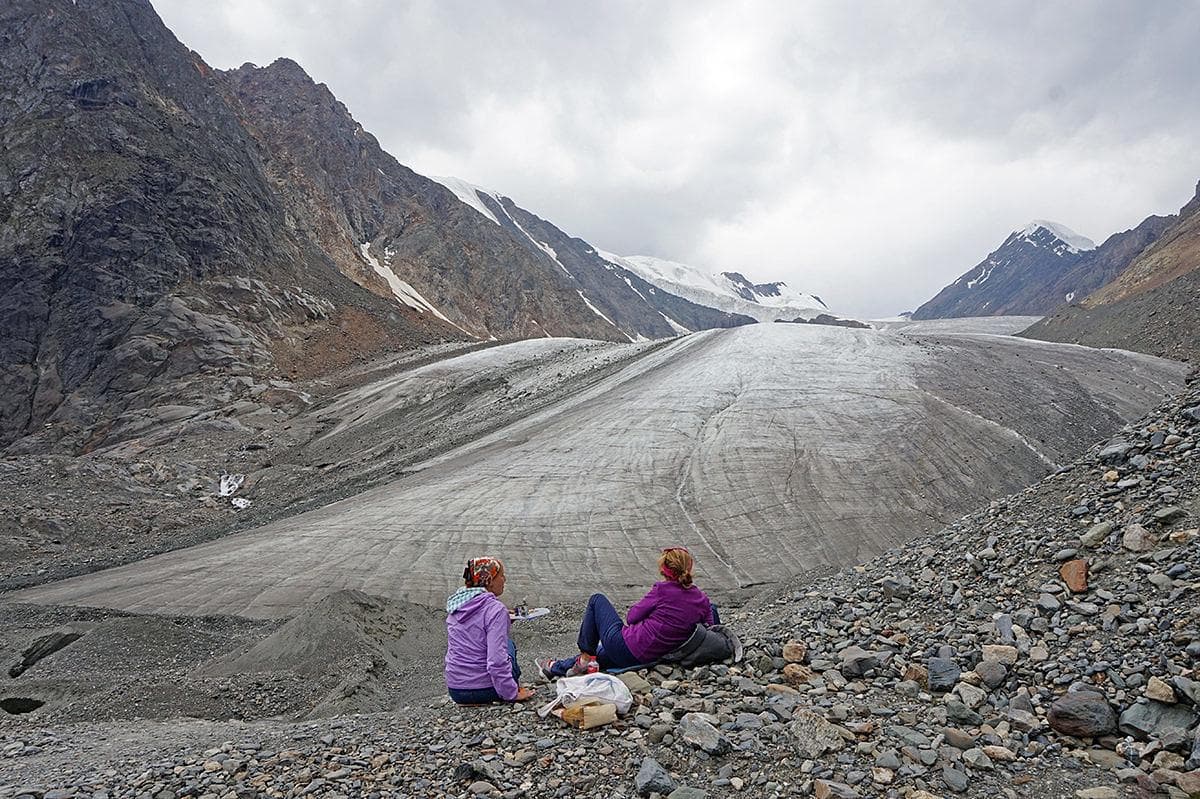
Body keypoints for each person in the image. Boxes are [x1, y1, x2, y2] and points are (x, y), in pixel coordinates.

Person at [538, 546, 715, 677]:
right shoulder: (701, 599)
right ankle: (554, 667)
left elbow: (631, 618)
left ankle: (584, 658)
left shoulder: (662, 590)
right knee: (599, 653)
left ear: (664, 569)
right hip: (655, 655)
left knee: (597, 600)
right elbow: (710, 626)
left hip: (628, 647)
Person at [444, 556, 535, 704]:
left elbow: (474, 633)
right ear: (489, 580)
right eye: (501, 575)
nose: (504, 580)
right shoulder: (495, 609)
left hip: (456, 690)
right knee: (509, 645)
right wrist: (511, 694)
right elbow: (496, 661)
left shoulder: (456, 606)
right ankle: (511, 686)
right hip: (485, 690)